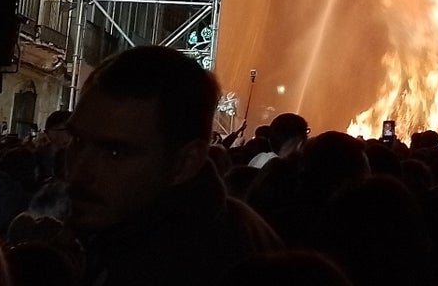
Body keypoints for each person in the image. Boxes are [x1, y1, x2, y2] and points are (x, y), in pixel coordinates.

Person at [64, 45, 281, 284]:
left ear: (185, 163)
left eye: (115, 152)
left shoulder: (210, 263)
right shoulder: (118, 236)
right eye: (76, 140)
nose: (78, 171)